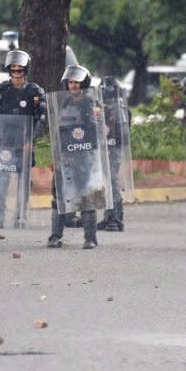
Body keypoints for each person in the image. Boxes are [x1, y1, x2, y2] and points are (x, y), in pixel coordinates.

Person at [48, 65, 107, 249]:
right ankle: (55, 236)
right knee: (58, 195)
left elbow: (97, 132)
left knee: (86, 195)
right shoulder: (64, 104)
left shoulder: (91, 104)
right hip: (65, 157)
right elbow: (59, 133)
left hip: (84, 157)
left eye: (77, 82)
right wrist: (56, 156)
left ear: (84, 84)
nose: (73, 86)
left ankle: (90, 238)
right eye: (71, 82)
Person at [0, 49, 46, 228]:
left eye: (19, 69)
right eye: (13, 69)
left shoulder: (35, 91)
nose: (16, 73)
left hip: (24, 142)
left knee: (23, 181)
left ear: (26, 70)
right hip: (4, 142)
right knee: (1, 180)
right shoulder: (1, 90)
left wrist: (32, 140)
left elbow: (41, 118)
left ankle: (20, 215)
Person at [97, 76, 131, 232]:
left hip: (114, 147)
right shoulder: (106, 107)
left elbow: (122, 133)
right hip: (106, 147)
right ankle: (109, 216)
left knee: (111, 180)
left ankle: (116, 218)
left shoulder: (119, 109)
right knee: (107, 181)